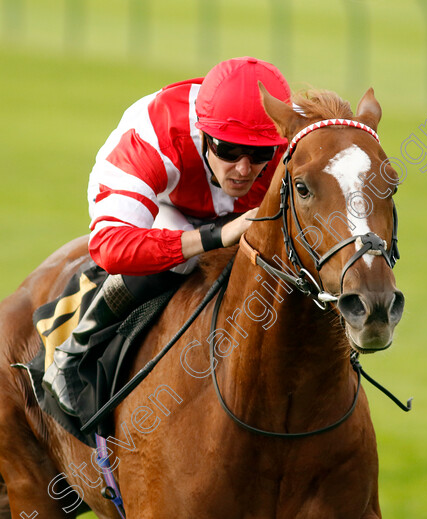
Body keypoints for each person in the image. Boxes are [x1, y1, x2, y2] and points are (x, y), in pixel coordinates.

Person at [46, 56, 292, 414]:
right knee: (181, 249)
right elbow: (111, 248)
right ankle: (75, 351)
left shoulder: (287, 134)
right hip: (164, 201)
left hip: (234, 209)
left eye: (258, 154)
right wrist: (213, 237)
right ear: (204, 134)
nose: (242, 168)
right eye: (227, 150)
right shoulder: (151, 139)